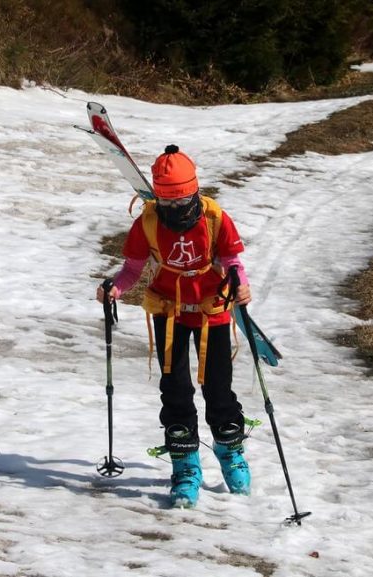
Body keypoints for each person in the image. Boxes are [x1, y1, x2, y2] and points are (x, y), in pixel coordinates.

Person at [96, 144, 253, 508]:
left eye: (182, 204)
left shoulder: (215, 218)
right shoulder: (148, 222)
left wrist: (240, 284)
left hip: (213, 309)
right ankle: (185, 467)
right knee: (176, 390)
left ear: (195, 193)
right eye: (168, 205)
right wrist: (115, 288)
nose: (176, 211)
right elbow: (134, 268)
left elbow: (232, 261)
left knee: (219, 389)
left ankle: (230, 453)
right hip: (168, 313)